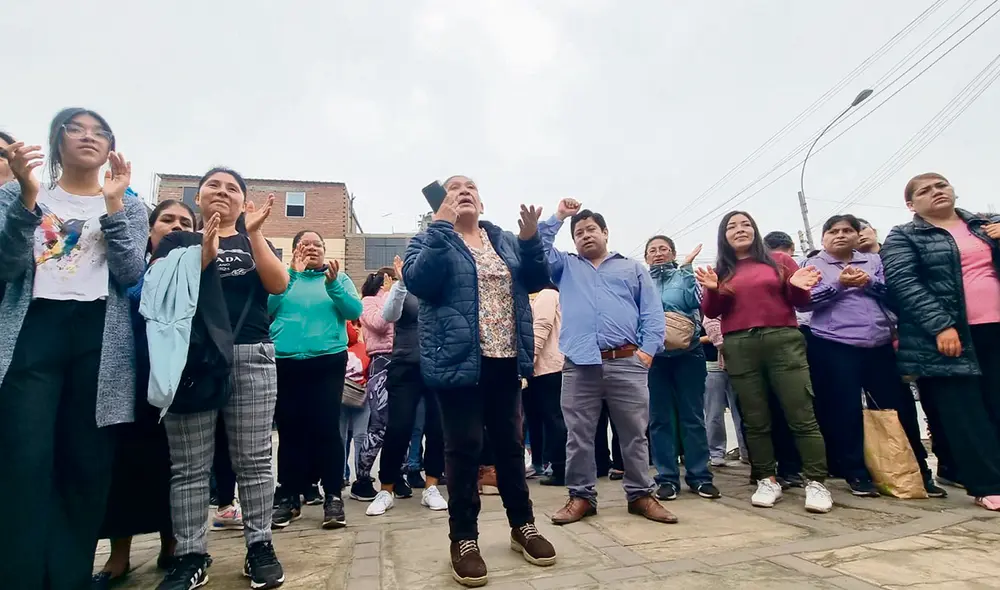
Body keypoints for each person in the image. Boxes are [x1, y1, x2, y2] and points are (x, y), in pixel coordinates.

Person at [0, 108, 148, 588]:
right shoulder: (18, 194)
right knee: (24, 460)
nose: (89, 137)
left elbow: (130, 274)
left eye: (100, 131)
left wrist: (113, 207)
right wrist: (25, 200)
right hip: (33, 331)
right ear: (56, 140)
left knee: (86, 463)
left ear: (111, 147)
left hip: (99, 340)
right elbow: (6, 267)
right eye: (77, 129)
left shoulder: (130, 203)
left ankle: (68, 577)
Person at [403, 175, 556, 587]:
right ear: (442, 202)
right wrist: (440, 226)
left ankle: (522, 526)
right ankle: (464, 539)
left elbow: (538, 279)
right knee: (464, 448)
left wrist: (528, 240)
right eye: (454, 187)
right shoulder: (428, 239)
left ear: (483, 204)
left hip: (505, 360)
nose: (463, 191)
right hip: (457, 361)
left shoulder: (503, 240)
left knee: (509, 446)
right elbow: (420, 282)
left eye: (470, 186)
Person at [151, 167, 289, 589]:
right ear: (198, 195)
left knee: (254, 460)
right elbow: (167, 289)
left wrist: (254, 233)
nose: (222, 192)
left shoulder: (253, 238)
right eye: (214, 185)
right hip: (192, 359)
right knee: (190, 466)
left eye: (232, 188)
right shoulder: (177, 240)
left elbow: (278, 283)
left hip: (251, 350)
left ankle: (259, 546)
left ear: (242, 201)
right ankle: (191, 554)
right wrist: (205, 245)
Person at [538, 199, 675, 527]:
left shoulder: (632, 269)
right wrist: (559, 217)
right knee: (579, 434)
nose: (585, 236)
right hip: (579, 364)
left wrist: (647, 353)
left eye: (591, 230)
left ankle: (641, 494)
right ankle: (581, 496)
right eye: (579, 232)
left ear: (605, 233)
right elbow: (537, 247)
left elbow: (652, 314)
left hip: (627, 360)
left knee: (634, 433)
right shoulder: (565, 267)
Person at [697, 211, 833, 513]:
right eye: (732, 226)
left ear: (755, 230)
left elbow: (801, 301)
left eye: (745, 224)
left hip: (782, 339)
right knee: (754, 418)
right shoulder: (722, 269)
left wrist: (797, 285)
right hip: (740, 344)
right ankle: (766, 479)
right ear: (724, 236)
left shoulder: (779, 262)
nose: (740, 230)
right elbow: (712, 309)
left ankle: (816, 482)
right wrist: (711, 288)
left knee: (801, 411)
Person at [801, 214, 944, 498]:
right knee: (844, 411)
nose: (840, 235)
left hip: (878, 344)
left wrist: (869, 284)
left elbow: (896, 295)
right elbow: (805, 303)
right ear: (823, 238)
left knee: (898, 408)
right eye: (833, 231)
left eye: (847, 230)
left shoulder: (874, 262)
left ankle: (918, 471)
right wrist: (839, 285)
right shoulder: (812, 265)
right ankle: (856, 473)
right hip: (833, 344)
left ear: (858, 235)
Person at [881, 173, 1000, 512]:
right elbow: (904, 284)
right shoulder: (905, 236)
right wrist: (941, 325)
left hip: (995, 329)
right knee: (966, 413)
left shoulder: (985, 225)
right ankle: (988, 484)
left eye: (941, 186)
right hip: (947, 338)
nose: (936, 192)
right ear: (911, 204)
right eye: (925, 190)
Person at [93, 199, 196, 588]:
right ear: (150, 227)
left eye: (184, 221)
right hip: (127, 376)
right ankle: (118, 556)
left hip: (177, 383)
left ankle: (172, 545)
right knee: (123, 464)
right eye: (166, 219)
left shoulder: (194, 269)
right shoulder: (130, 267)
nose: (174, 225)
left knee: (174, 466)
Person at [269, 229, 361, 529]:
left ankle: (333, 495)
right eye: (305, 244)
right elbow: (267, 308)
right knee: (290, 429)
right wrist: (292, 275)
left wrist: (333, 285)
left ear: (325, 250)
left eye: (317, 244)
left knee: (326, 428)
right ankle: (288, 496)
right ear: (295, 250)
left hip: (327, 362)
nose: (312, 248)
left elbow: (354, 310)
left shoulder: (338, 278)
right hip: (287, 362)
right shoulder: (282, 277)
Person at [368, 255, 449, 516]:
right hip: (405, 365)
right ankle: (386, 489)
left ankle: (431, 486)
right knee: (399, 427)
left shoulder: (441, 290)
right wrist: (401, 284)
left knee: (437, 428)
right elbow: (388, 315)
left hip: (437, 366)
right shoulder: (404, 289)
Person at [644, 234, 720, 501]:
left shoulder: (683, 276)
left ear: (673, 253)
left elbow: (695, 303)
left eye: (664, 249)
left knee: (693, 416)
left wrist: (687, 269)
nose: (658, 253)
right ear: (645, 257)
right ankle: (666, 478)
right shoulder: (641, 281)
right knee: (659, 419)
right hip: (655, 359)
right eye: (652, 250)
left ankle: (700, 476)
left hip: (689, 354)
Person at [351, 266, 403, 502]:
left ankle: (395, 474)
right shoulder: (368, 302)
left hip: (402, 360)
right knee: (379, 425)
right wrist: (390, 297)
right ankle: (362, 478)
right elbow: (380, 324)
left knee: (401, 425)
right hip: (381, 362)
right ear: (385, 281)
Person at [529, 284, 568, 487]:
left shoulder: (546, 295)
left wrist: (530, 358)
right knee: (553, 418)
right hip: (550, 366)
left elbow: (541, 326)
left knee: (554, 419)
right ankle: (558, 466)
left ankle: (561, 469)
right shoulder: (553, 295)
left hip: (549, 366)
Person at [702, 316, 748, 464]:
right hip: (712, 363)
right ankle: (716, 453)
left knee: (743, 411)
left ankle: (747, 451)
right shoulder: (703, 303)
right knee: (714, 412)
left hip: (738, 361)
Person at [342, 320, 371, 489]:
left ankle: (361, 475)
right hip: (349, 396)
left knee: (359, 436)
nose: (354, 328)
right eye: (352, 324)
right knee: (343, 437)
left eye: (357, 324)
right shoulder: (337, 348)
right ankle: (344, 474)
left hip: (359, 396)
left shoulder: (365, 348)